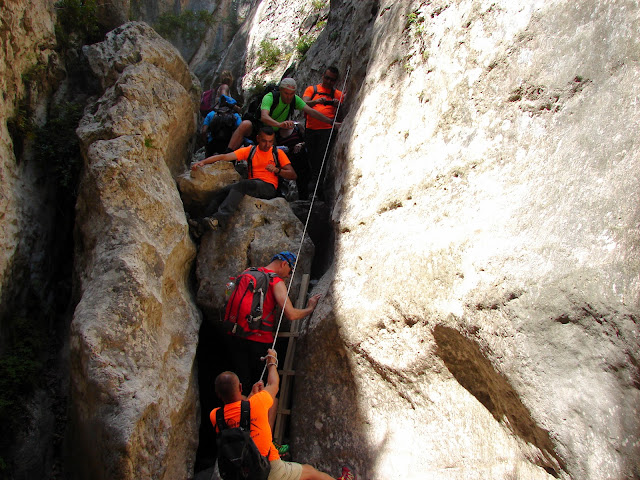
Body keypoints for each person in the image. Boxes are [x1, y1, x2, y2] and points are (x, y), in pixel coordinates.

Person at [212, 352, 355, 480]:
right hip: (267, 467)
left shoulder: (215, 416)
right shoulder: (257, 403)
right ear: (240, 387)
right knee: (310, 473)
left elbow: (239, 416)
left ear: (218, 394)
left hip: (239, 471)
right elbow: (274, 384)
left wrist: (252, 396)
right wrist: (272, 363)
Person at [225, 251, 321, 400]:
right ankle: (256, 420)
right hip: (259, 340)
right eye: (290, 271)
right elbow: (291, 314)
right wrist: (310, 308)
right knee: (260, 386)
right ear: (284, 264)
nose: (289, 275)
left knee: (241, 383)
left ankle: (239, 418)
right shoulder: (275, 281)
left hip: (235, 334)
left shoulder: (248, 272)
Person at [189, 126, 296, 235]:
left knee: (243, 184)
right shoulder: (251, 151)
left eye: (270, 141)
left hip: (269, 187)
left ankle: (219, 219)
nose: (267, 145)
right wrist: (203, 162)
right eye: (264, 141)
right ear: (258, 138)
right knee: (223, 192)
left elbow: (292, 175)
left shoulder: (277, 153)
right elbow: (225, 157)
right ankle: (201, 222)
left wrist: (277, 170)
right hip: (252, 185)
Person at [302, 67, 344, 199]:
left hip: (326, 130)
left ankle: (316, 191)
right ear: (322, 76)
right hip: (310, 129)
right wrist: (316, 101)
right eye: (327, 78)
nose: (329, 81)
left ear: (335, 81)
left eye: (332, 80)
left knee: (321, 159)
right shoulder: (312, 90)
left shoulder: (337, 94)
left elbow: (343, 103)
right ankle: (312, 190)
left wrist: (338, 104)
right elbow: (304, 103)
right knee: (311, 160)